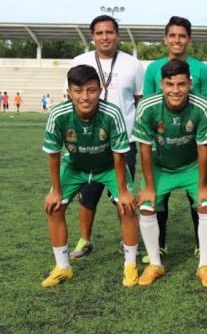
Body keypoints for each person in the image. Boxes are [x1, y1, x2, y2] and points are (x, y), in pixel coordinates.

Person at [41, 65, 138, 287]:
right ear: (69, 92)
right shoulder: (58, 114)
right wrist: (56, 192)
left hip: (108, 166)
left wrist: (123, 192)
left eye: (91, 90)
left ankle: (130, 264)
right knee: (54, 207)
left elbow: (119, 156)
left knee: (127, 206)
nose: (85, 97)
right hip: (75, 166)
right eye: (78, 91)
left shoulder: (112, 113)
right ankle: (63, 267)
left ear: (100, 90)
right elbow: (54, 155)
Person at [133, 59, 207, 287]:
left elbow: (204, 147)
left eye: (181, 84)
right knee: (147, 205)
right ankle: (155, 264)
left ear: (190, 83)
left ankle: (204, 265)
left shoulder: (202, 106)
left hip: (191, 166)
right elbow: (144, 148)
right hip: (161, 167)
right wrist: (149, 187)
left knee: (206, 204)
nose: (175, 90)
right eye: (170, 84)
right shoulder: (147, 106)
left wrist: (203, 186)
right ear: (161, 84)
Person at [68, 15, 144, 259]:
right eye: (99, 33)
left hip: (124, 142)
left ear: (117, 35)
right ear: (93, 36)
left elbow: (139, 102)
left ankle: (126, 241)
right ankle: (84, 240)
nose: (105, 37)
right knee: (87, 195)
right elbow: (72, 100)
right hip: (88, 142)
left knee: (123, 196)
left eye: (109, 32)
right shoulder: (79, 62)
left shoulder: (133, 64)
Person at [142, 16, 207, 263]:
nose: (177, 40)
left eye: (182, 36)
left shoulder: (201, 69)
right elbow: (149, 104)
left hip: (191, 145)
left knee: (199, 198)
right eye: (172, 35)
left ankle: (200, 246)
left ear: (189, 39)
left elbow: (200, 107)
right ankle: (159, 246)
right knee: (158, 200)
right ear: (165, 39)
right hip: (162, 145)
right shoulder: (153, 68)